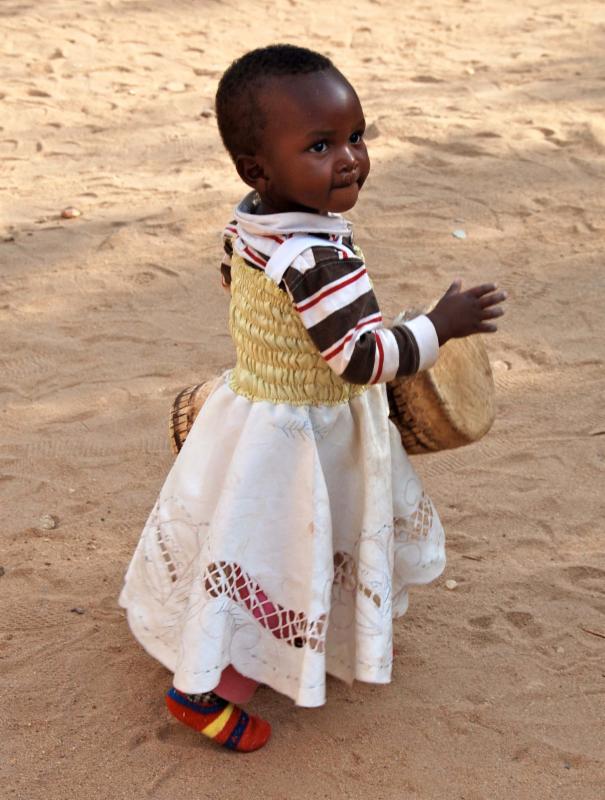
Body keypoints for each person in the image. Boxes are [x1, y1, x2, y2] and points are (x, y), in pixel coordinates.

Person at [119, 44, 506, 753]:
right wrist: (436, 327)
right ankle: (204, 690)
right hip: (306, 434)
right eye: (321, 146)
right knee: (280, 547)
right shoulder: (319, 259)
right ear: (256, 168)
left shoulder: (252, 223)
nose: (350, 158)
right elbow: (361, 359)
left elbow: (240, 291)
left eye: (355, 136)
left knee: (245, 535)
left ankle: (226, 644)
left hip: (255, 413)